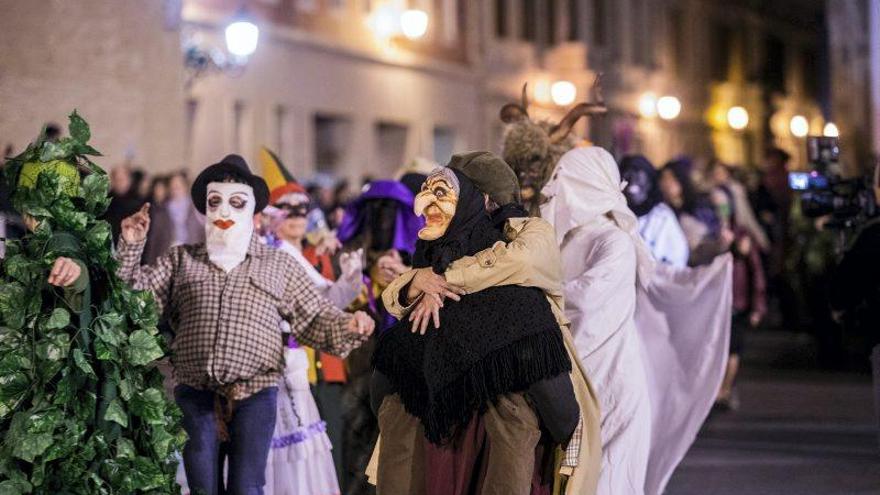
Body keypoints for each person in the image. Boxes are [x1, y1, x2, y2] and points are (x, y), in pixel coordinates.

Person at [116, 154, 375, 495]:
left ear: (252, 212)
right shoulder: (182, 259)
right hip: (196, 393)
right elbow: (136, 300)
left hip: (255, 393)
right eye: (215, 202)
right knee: (202, 486)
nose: (224, 213)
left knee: (246, 486)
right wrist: (132, 246)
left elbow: (312, 315)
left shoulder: (277, 263)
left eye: (236, 203)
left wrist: (349, 325)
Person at [371, 151, 602, 495]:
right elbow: (560, 410)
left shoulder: (442, 291)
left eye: (444, 194)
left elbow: (381, 388)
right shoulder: (515, 303)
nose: (428, 209)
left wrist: (437, 278)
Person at [0, 112, 182, 491]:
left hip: (62, 399)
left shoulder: (61, 243)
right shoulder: (76, 237)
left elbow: (75, 271)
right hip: (83, 390)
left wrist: (71, 271)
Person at [263, 180, 364, 492]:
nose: (296, 216)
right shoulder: (276, 252)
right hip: (276, 362)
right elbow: (325, 301)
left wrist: (351, 276)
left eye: (302, 209)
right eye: (287, 209)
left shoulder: (292, 254)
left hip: (293, 363)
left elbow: (325, 299)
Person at [711, 186, 766, 410]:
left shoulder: (741, 234)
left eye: (722, 204)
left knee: (733, 347)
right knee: (716, 347)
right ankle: (717, 388)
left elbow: (756, 271)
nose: (717, 210)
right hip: (714, 302)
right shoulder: (708, 231)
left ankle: (724, 389)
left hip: (736, 300)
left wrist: (757, 307)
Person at [619, 155, 689, 267]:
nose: (633, 181)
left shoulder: (662, 217)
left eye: (639, 175)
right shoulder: (612, 211)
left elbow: (676, 261)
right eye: (628, 174)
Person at [659, 159, 732, 266]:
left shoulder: (704, 203)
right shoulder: (661, 212)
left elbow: (725, 217)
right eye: (663, 178)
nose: (666, 183)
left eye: (670, 178)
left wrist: (725, 222)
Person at [143, 171, 204, 264]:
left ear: (185, 186)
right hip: (167, 258)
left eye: (178, 185)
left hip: (193, 257)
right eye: (173, 186)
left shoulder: (197, 209)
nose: (176, 188)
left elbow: (204, 234)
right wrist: (150, 263)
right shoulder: (162, 211)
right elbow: (155, 240)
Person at [105, 164, 145, 242]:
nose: (119, 183)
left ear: (129, 180)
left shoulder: (138, 201)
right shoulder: (106, 201)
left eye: (122, 179)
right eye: (116, 179)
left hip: (130, 246)